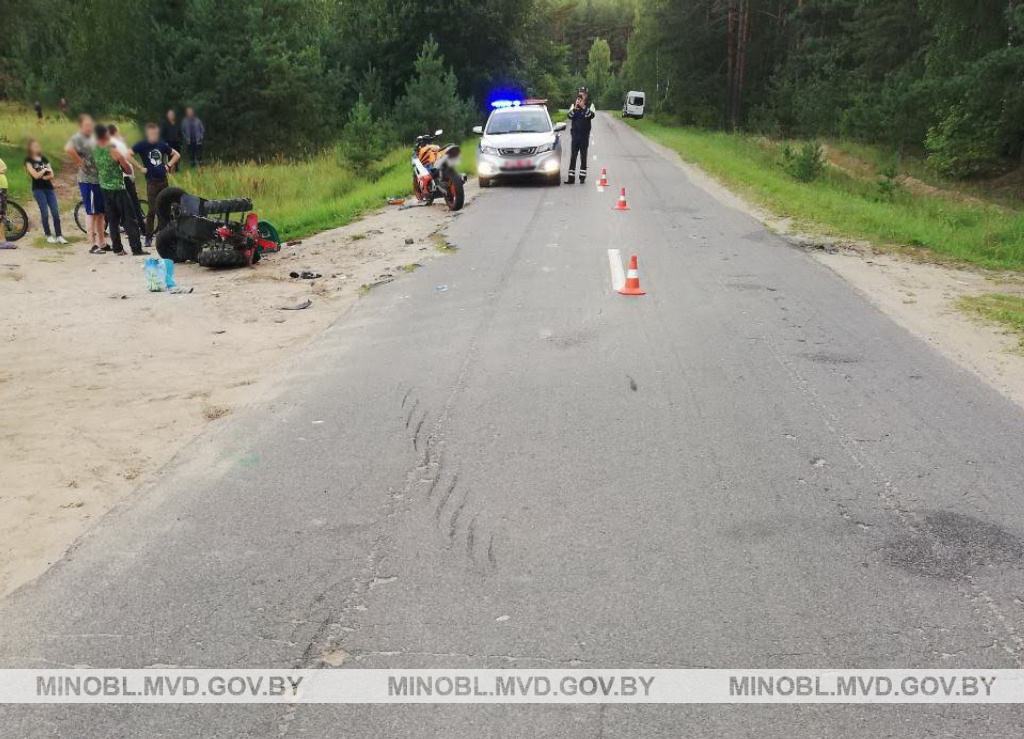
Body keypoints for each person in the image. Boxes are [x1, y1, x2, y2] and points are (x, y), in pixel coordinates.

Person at [93, 124, 147, 256]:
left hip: (104, 187)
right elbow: (126, 167)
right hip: (118, 187)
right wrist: (126, 169)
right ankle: (136, 248)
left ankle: (117, 248)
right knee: (129, 218)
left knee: (112, 219)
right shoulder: (112, 149)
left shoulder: (95, 148)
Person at [64, 115, 107, 253]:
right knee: (92, 212)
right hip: (88, 180)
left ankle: (102, 242)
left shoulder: (92, 138)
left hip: (98, 179)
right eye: (87, 125)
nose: (89, 127)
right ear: (81, 126)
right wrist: (79, 162)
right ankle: (92, 244)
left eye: (91, 124)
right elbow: (68, 148)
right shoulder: (79, 137)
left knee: (100, 213)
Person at [132, 122, 179, 245]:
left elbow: (176, 154)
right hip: (152, 182)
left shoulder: (162, 145)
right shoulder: (142, 145)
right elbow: (128, 154)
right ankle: (148, 236)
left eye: (156, 133)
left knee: (165, 209)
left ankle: (166, 235)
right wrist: (140, 167)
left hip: (163, 180)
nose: (154, 135)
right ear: (148, 133)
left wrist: (168, 165)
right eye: (152, 133)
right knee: (152, 210)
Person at [107, 124, 147, 237]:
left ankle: (123, 228)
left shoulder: (106, 145)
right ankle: (142, 229)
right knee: (133, 204)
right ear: (115, 132)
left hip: (117, 178)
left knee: (122, 205)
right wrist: (139, 168)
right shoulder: (118, 143)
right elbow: (127, 158)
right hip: (126, 176)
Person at [24, 139, 66, 244]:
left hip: (49, 188)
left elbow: (52, 174)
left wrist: (45, 176)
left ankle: (59, 235)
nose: (36, 148)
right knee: (45, 213)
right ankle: (48, 235)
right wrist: (44, 170)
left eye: (37, 146)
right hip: (38, 189)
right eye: (34, 146)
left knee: (55, 212)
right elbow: (35, 175)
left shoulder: (43, 158)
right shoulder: (28, 160)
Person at [565, 87, 595, 185]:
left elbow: (590, 115)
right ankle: (571, 178)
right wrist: (576, 107)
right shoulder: (574, 105)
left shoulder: (590, 105)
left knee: (583, 156)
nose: (581, 95)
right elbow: (569, 116)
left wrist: (583, 107)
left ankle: (582, 177)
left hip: (584, 136)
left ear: (586, 95)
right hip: (575, 135)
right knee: (573, 157)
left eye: (583, 93)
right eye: (580, 93)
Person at [0, 156, 12, 248]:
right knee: (1, 216)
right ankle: (2, 241)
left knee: (2, 214)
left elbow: (5, 167)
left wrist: (2, 169)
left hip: (2, 189)